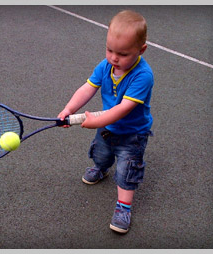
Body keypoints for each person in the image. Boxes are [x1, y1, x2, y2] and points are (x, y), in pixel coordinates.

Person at [57, 10, 154, 234]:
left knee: (126, 171)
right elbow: (88, 88)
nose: (114, 58)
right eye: (109, 50)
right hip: (106, 128)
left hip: (132, 134)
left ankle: (123, 207)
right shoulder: (105, 66)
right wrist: (69, 109)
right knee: (101, 155)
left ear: (141, 50)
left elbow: (122, 109)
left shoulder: (143, 75)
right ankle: (101, 169)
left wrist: (94, 121)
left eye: (122, 53)